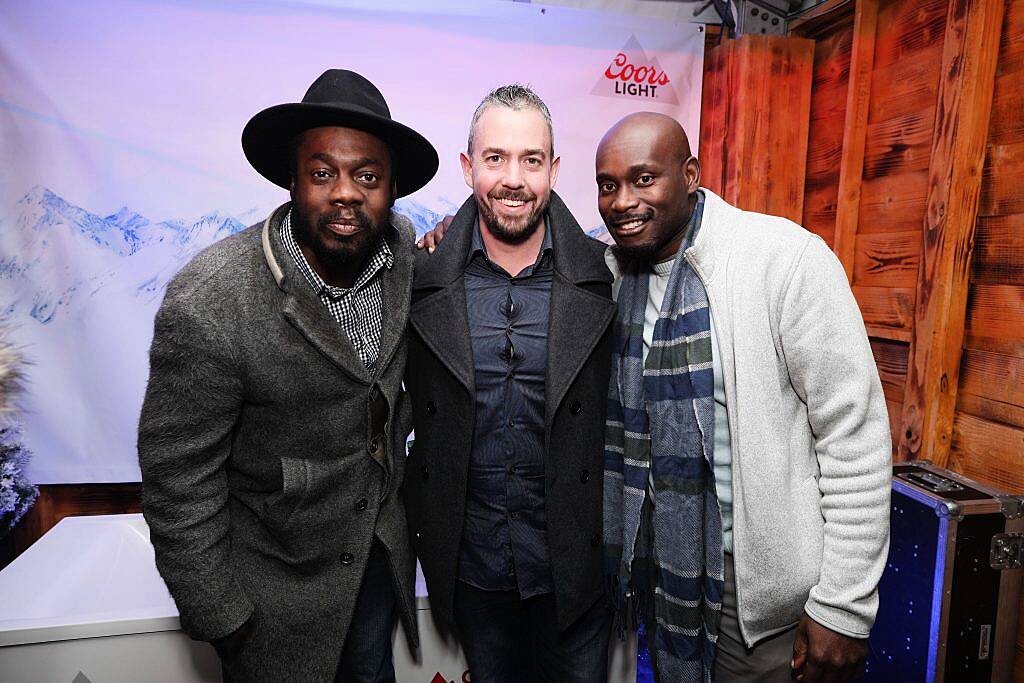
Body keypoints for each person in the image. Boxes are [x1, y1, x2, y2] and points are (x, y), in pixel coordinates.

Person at [137, 69, 438, 682]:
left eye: (369, 176)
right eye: (323, 173)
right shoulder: (210, 301)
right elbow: (177, 478)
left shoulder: (403, 256)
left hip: (374, 568)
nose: (347, 193)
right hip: (274, 596)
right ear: (292, 180)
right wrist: (223, 616)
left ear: (392, 189)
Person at [596, 112, 891, 683]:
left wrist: (845, 606)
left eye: (643, 178)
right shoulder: (610, 273)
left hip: (760, 600)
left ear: (690, 175)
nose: (623, 201)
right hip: (660, 575)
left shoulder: (781, 259)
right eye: (608, 185)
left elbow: (854, 439)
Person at [401, 84, 615, 683]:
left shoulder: (606, 276)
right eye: (495, 158)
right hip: (475, 570)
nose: (513, 178)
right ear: (469, 167)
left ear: (554, 169)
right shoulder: (422, 278)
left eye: (531, 159)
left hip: (575, 571)